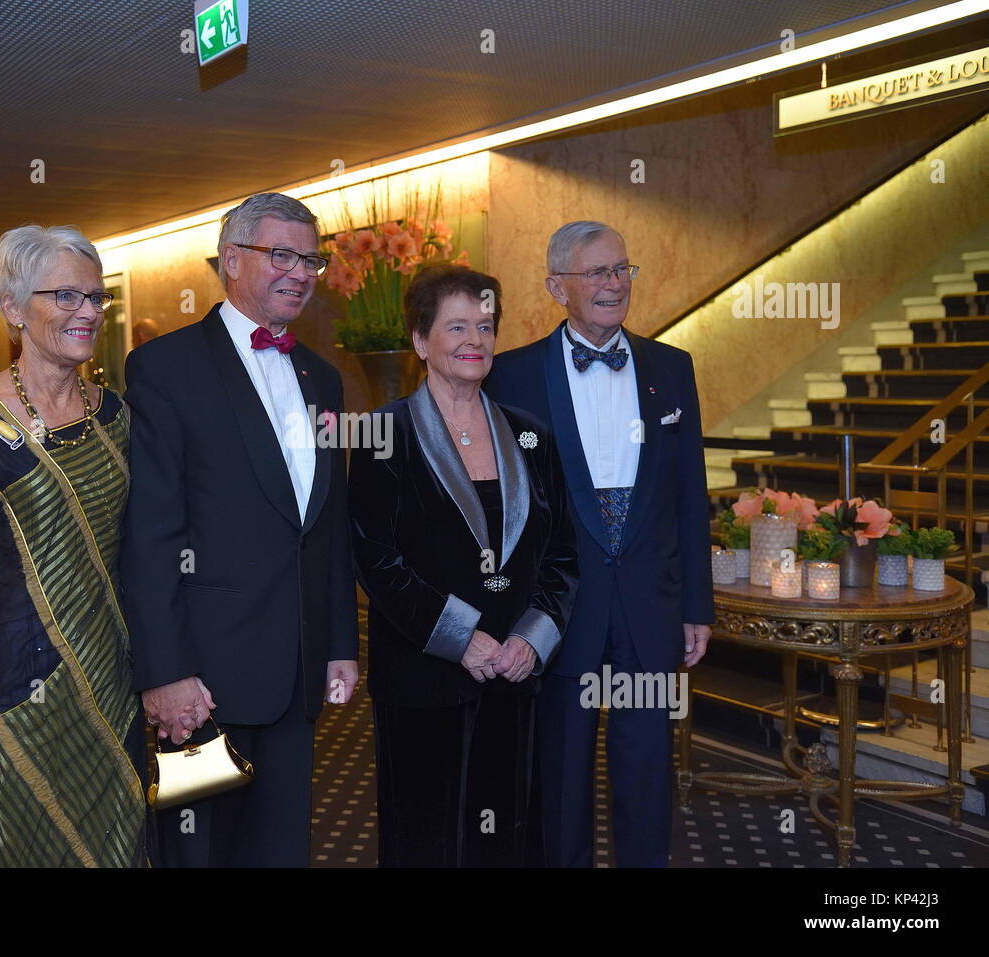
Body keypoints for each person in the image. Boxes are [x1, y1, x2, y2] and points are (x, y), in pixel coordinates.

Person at [121, 192, 359, 867]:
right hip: (203, 684)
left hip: (297, 669)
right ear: (231, 260)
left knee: (281, 849)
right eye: (281, 254)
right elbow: (151, 533)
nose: (302, 271)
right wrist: (166, 670)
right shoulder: (166, 369)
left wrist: (339, 640)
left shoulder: (323, 378)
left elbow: (327, 523)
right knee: (198, 851)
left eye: (310, 257)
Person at [485, 221, 713, 867]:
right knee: (561, 772)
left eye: (623, 269)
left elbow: (689, 495)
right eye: (597, 273)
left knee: (647, 771)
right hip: (558, 609)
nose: (614, 284)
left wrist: (698, 604)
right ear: (558, 286)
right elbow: (500, 507)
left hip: (651, 604)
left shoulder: (672, 368)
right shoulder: (511, 376)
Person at [0, 225, 147, 867]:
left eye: (95, 297)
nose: (88, 313)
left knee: (118, 844)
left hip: (115, 678)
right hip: (19, 685)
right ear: (14, 308)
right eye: (66, 297)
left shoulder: (117, 416)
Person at [349, 264, 579, 867]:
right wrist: (461, 639)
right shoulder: (383, 434)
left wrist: (530, 641)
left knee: (507, 842)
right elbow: (375, 559)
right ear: (421, 341)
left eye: (485, 325)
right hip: (423, 679)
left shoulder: (531, 436)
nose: (474, 340)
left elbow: (561, 555)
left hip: (512, 675)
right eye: (456, 326)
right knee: (427, 843)